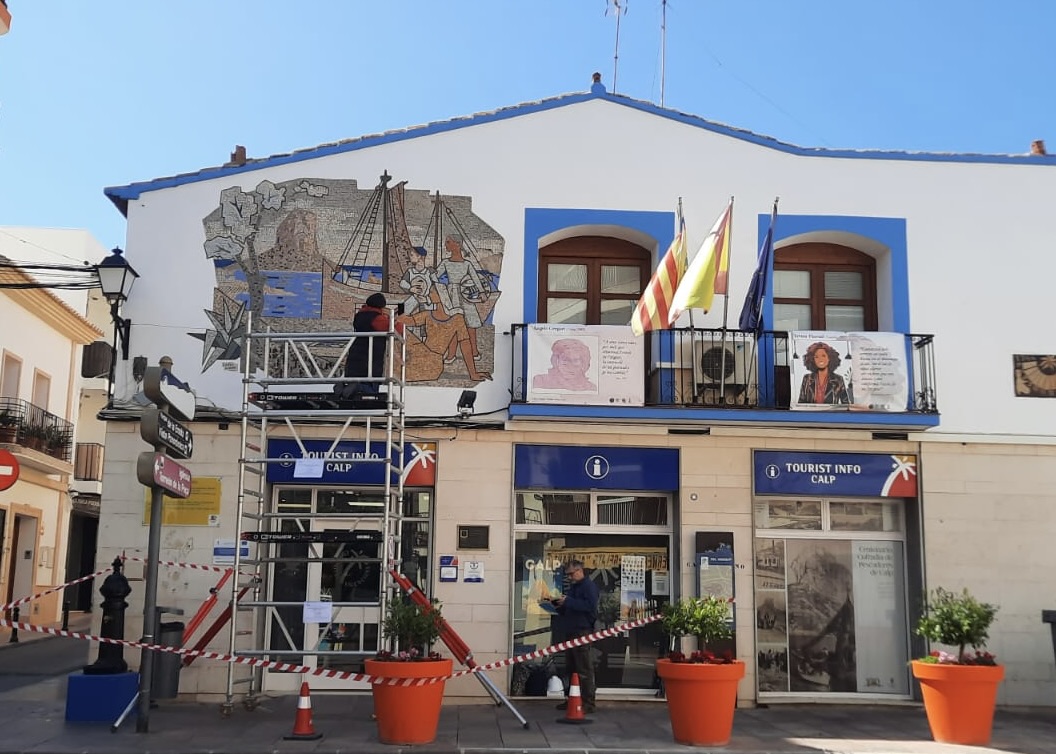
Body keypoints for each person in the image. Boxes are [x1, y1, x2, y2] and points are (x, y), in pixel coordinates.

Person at [551, 559, 599, 713]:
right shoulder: (574, 587)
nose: (570, 577)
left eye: (571, 574)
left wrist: (569, 602)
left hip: (582, 631)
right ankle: (572, 698)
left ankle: (588, 703)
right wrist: (557, 605)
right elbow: (570, 607)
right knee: (571, 668)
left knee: (583, 668)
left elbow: (590, 606)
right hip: (571, 630)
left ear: (579, 571)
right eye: (568, 575)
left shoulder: (588, 587)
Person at [340, 293, 403, 396]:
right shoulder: (377, 318)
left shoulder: (360, 315)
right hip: (370, 363)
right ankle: (355, 387)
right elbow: (398, 329)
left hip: (355, 360)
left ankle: (343, 387)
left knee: (355, 391)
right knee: (370, 392)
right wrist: (395, 320)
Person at [532, 338, 598, 391]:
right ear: (556, 361)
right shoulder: (541, 381)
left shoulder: (590, 387)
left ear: (584, 362)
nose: (570, 366)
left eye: (575, 360)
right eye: (565, 360)